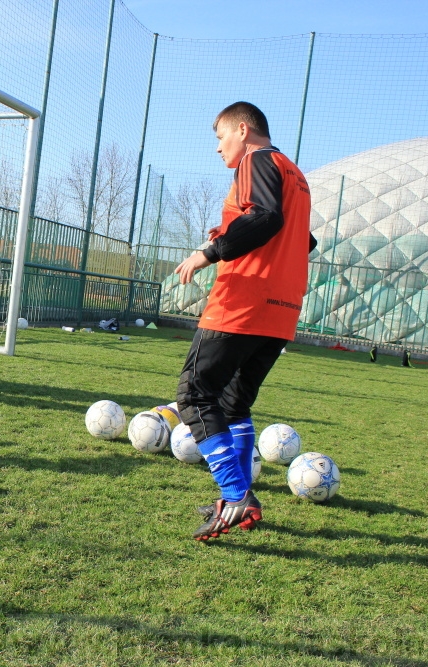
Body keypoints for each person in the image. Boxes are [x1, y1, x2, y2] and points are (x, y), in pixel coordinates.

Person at [173, 102, 316, 541]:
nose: (218, 148)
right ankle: (240, 495)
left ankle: (237, 497)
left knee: (194, 396)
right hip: (281, 309)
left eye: (220, 136)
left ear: (242, 128)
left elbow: (266, 217)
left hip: (244, 302)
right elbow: (304, 240)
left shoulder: (256, 160)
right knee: (233, 404)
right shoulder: (295, 173)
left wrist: (210, 251)